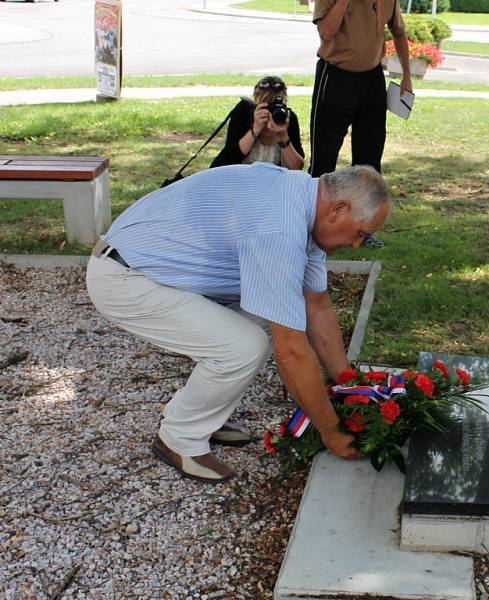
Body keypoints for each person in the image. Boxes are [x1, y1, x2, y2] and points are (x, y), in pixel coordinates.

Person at [86, 163, 391, 483]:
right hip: (125, 277)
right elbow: (290, 351)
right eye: (361, 234)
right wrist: (332, 431)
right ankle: (179, 439)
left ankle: (197, 413)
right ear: (338, 210)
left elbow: (316, 309)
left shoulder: (302, 203)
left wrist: (350, 387)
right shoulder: (280, 227)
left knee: (271, 313)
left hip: (155, 269)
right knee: (244, 347)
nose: (357, 245)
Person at [309, 0, 413, 249]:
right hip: (334, 77)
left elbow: (398, 32)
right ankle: (310, 226)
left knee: (370, 161)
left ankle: (363, 231)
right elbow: (325, 33)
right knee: (324, 158)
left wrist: (406, 75)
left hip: (372, 81)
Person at [210, 76, 304, 170]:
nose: (271, 112)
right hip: (241, 178)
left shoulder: (288, 118)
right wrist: (255, 130)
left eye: (276, 106)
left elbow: (297, 168)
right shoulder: (244, 113)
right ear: (256, 102)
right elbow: (226, 161)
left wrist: (283, 136)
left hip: (273, 181)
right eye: (266, 105)